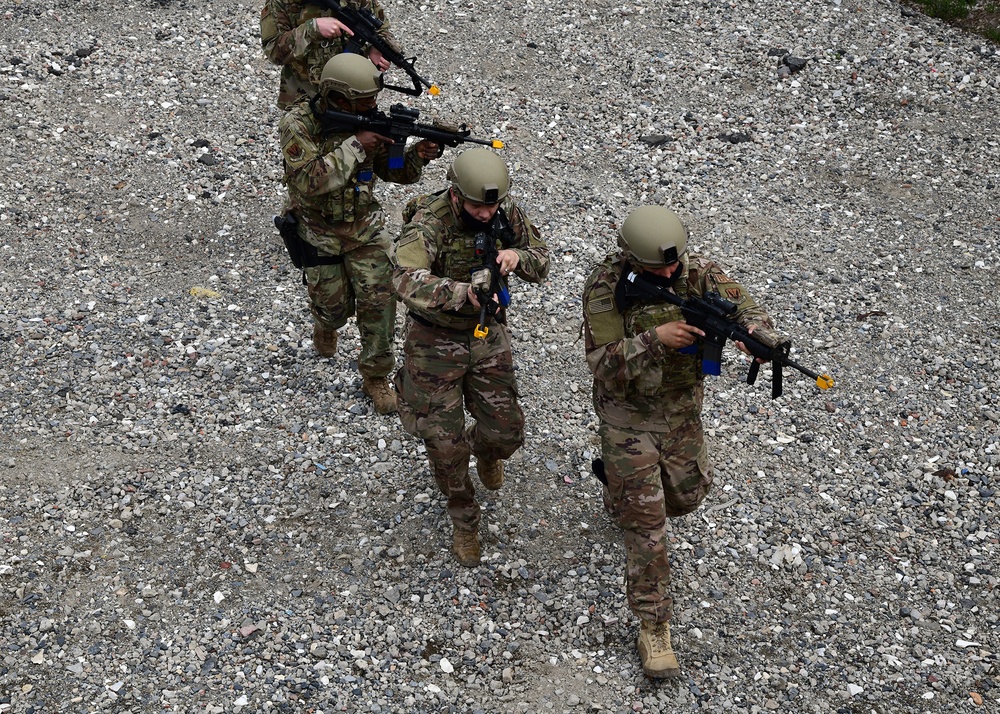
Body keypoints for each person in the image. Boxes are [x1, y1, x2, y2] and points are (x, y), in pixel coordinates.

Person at [581, 205, 784, 679]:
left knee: (687, 495)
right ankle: (654, 626)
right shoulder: (605, 287)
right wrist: (657, 338)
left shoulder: (699, 273)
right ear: (632, 258)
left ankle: (616, 485)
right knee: (647, 523)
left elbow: (747, 307)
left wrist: (756, 334)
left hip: (680, 410)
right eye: (659, 269)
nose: (671, 273)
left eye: (675, 264)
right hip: (626, 414)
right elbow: (601, 362)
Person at [392, 148, 550, 567]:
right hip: (433, 340)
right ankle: (464, 518)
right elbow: (404, 277)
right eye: (478, 205)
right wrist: (461, 292)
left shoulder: (503, 210)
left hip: (486, 334)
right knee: (443, 445)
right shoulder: (429, 220)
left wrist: (519, 257)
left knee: (507, 431)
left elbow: (541, 259)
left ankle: (488, 452)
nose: (486, 213)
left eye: (492, 205)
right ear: (457, 194)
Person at [279, 52, 439, 414]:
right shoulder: (299, 123)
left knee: (380, 304)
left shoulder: (367, 120)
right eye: (363, 101)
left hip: (366, 230)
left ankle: (375, 375)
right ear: (337, 97)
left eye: (372, 100)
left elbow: (392, 171)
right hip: (318, 230)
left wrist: (416, 156)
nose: (371, 107)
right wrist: (355, 145)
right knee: (334, 309)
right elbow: (308, 180)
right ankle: (325, 323)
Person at [261, 0, 399, 110]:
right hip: (305, 98)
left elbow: (381, 28)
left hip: (354, 97)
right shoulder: (281, 3)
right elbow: (273, 51)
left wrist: (376, 47)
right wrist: (311, 29)